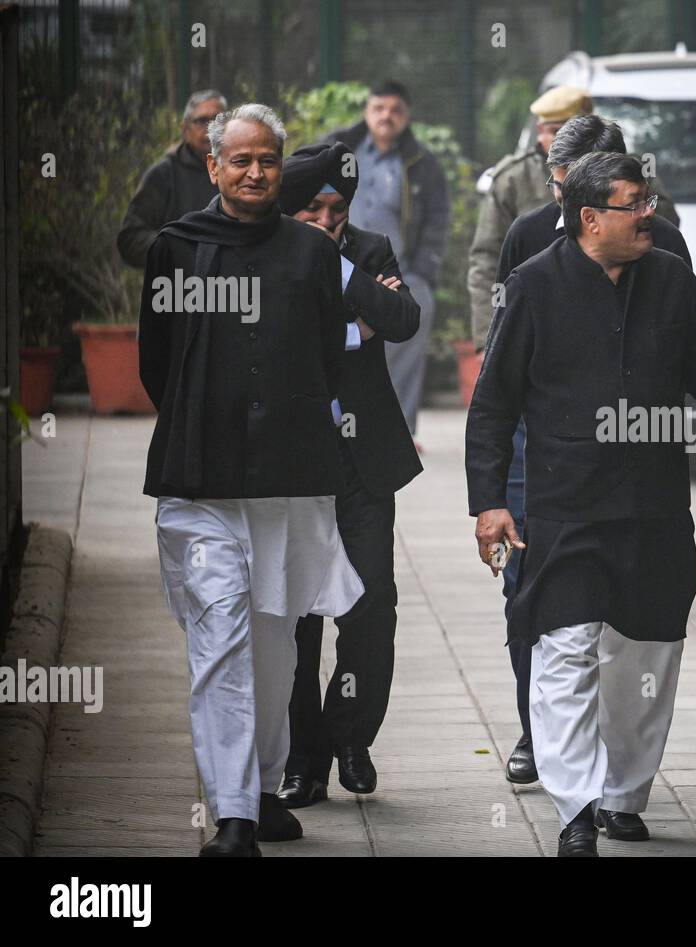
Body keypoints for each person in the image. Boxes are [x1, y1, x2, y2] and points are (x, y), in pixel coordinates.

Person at [465, 151, 696, 856]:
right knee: (564, 649)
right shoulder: (533, 286)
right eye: (633, 204)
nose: (648, 214)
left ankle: (623, 792)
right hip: (567, 505)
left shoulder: (670, 278)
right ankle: (573, 808)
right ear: (590, 218)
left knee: (646, 655)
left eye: (647, 200)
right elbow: (494, 402)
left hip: (653, 506)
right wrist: (490, 500)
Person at [138, 104, 364, 856]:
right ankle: (232, 812)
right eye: (240, 160)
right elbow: (157, 361)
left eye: (267, 159)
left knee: (276, 643)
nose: (256, 172)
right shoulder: (177, 249)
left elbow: (329, 356)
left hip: (290, 482)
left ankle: (262, 787)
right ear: (213, 166)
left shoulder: (309, 252)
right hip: (201, 480)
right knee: (222, 636)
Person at [489, 114, 693, 788]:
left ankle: (617, 783)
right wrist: (491, 496)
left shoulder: (660, 247)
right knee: (546, 611)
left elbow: (689, 350)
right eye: (555, 178)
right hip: (550, 466)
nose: (557, 190)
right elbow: (501, 376)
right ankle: (542, 743)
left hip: (644, 484)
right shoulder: (528, 249)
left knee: (636, 641)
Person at [273, 143, 423, 809]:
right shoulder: (266, 250)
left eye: (338, 207)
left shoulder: (367, 248)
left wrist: (333, 265)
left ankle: (351, 735)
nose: (329, 217)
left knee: (372, 609)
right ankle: (303, 759)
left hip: (365, 463)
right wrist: (355, 327)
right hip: (295, 464)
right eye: (314, 208)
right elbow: (280, 343)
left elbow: (402, 318)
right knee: (300, 617)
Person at [325, 80, 450, 439]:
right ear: (367, 111)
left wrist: (423, 272)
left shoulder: (421, 163)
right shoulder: (337, 149)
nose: (386, 116)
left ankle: (399, 430)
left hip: (397, 270)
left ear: (406, 116)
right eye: (379, 108)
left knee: (419, 306)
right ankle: (334, 422)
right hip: (338, 265)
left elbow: (438, 221)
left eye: (395, 110)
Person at [467, 86, 593, 351]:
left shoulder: (624, 170)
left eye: (566, 132)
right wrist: (488, 339)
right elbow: (486, 258)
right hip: (534, 318)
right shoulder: (513, 177)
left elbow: (660, 220)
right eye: (552, 132)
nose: (558, 141)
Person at [117, 89, 226, 268]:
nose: (212, 127)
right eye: (202, 121)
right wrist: (176, 249)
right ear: (185, 129)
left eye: (219, 120)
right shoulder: (163, 175)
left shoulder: (242, 169)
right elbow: (130, 238)